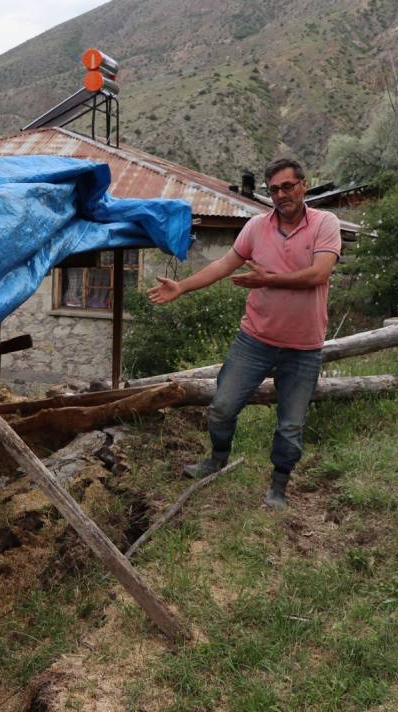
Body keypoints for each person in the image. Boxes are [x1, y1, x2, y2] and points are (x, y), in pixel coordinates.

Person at [147, 158, 341, 509]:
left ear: (303, 186)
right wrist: (182, 286)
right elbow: (224, 264)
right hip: (255, 340)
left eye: (287, 187)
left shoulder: (325, 223)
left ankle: (278, 488)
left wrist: (268, 279)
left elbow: (319, 274)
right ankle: (216, 459)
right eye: (274, 190)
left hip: (304, 348)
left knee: (290, 426)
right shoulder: (256, 227)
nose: (281, 195)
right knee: (221, 408)